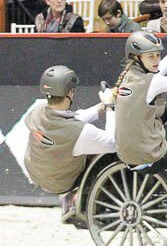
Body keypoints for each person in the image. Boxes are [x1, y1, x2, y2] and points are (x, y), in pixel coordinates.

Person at [24, 65, 117, 211]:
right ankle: (76, 196)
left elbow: (71, 119)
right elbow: (113, 143)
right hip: (61, 184)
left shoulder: (37, 112)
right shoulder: (80, 132)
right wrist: (110, 106)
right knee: (109, 156)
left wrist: (103, 105)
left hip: (37, 173)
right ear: (70, 92)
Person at [113, 31, 167, 170]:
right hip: (152, 158)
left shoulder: (129, 75)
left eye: (158, 55)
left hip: (127, 157)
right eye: (151, 56)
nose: (156, 60)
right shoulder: (150, 82)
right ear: (136, 57)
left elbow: (156, 70)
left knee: (163, 113)